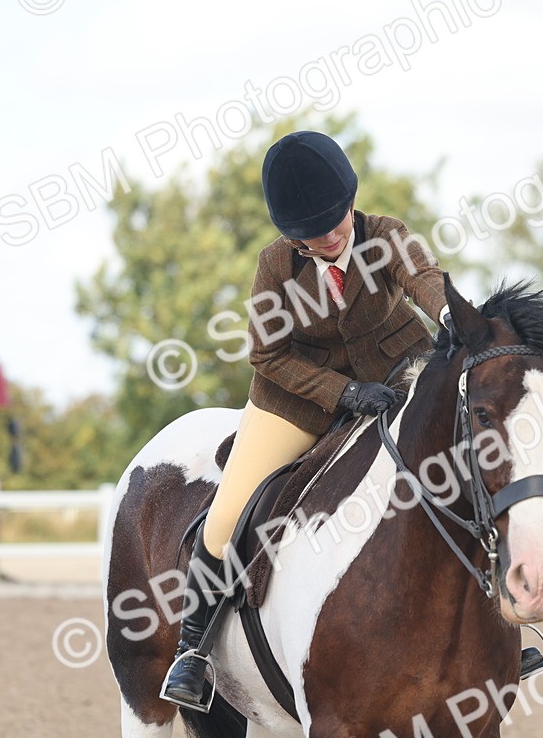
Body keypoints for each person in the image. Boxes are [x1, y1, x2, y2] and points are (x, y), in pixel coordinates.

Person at [161, 130, 452, 710]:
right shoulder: (275, 265)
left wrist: (453, 317)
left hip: (395, 382)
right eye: (313, 233)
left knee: (458, 471)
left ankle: (482, 631)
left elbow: (428, 283)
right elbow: (267, 355)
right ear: (290, 233)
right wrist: (344, 394)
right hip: (296, 402)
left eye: (337, 220)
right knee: (224, 519)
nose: (331, 235)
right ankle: (192, 651)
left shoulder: (387, 235)